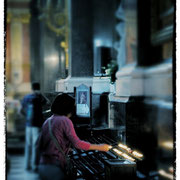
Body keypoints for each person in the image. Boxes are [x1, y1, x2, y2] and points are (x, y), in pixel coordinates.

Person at [38, 93, 112, 180]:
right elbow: (78, 144)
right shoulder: (65, 120)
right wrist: (101, 147)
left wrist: (65, 148)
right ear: (68, 108)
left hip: (43, 166)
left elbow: (41, 144)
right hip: (55, 169)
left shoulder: (48, 121)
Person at [21, 82, 50, 171]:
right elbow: (48, 102)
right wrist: (41, 94)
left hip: (28, 125)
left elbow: (21, 110)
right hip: (37, 125)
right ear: (38, 89)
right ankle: (34, 166)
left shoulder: (26, 98)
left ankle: (27, 165)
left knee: (28, 145)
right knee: (35, 145)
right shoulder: (39, 98)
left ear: (31, 89)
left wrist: (27, 117)